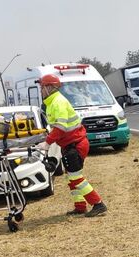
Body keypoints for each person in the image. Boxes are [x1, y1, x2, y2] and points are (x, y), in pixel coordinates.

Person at [37, 74, 107, 217]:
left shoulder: (58, 102)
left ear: (49, 87)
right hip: (71, 145)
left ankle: (98, 204)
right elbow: (57, 128)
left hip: (76, 145)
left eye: (42, 87)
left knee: (75, 177)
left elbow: (60, 127)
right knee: (71, 177)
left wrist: (47, 142)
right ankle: (80, 206)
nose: (41, 90)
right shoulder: (52, 103)